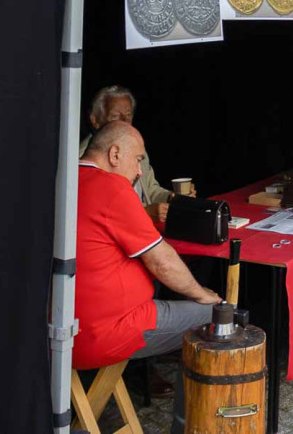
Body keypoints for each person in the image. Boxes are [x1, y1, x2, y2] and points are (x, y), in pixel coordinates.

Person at [75, 122, 220, 434]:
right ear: (115, 154)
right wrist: (203, 294)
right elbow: (163, 263)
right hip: (106, 330)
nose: (140, 171)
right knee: (215, 317)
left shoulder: (63, 178)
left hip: (62, 330)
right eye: (137, 159)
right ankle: (187, 428)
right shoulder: (112, 188)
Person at [81, 85, 173, 223]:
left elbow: (151, 190)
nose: (124, 122)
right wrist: (146, 211)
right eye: (115, 116)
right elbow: (103, 207)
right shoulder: (86, 158)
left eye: (128, 115)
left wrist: (171, 198)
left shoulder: (135, 147)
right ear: (95, 121)